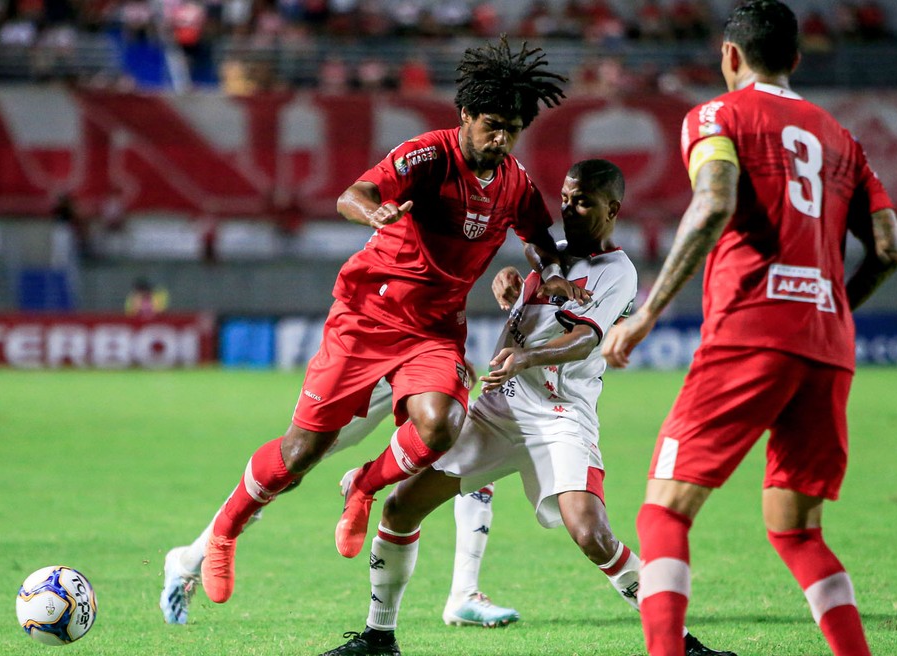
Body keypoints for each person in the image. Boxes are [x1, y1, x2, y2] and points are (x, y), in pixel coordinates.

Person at [198, 36, 588, 607]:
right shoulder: (429, 156)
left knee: (441, 425)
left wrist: (549, 272)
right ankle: (224, 532)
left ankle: (364, 485)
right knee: (301, 454)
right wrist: (374, 211)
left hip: (433, 331)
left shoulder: (515, 182)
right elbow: (352, 195)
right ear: (465, 114)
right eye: (491, 123)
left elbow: (540, 241)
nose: (501, 137)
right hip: (367, 317)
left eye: (512, 127)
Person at [321, 159, 733, 656]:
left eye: (583, 201)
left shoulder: (616, 271)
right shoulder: (548, 258)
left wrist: (526, 358)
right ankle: (378, 637)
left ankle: (683, 645)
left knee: (591, 533)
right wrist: (511, 287)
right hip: (499, 410)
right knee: (401, 507)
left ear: (612, 209)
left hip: (560, 416)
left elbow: (585, 340)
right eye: (565, 196)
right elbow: (530, 316)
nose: (569, 208)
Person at [601, 3, 897, 655]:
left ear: (730, 57)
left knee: (663, 512)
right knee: (796, 531)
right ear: (795, 59)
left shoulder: (717, 117)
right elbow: (887, 248)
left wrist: (648, 312)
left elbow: (713, 201)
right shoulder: (841, 138)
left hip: (749, 333)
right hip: (827, 345)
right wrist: (835, 310)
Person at [160, 275, 522, 628]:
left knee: (466, 448)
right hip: (371, 355)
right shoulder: (406, 222)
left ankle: (464, 593)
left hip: (424, 352)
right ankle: (189, 560)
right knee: (291, 468)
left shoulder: (467, 224)